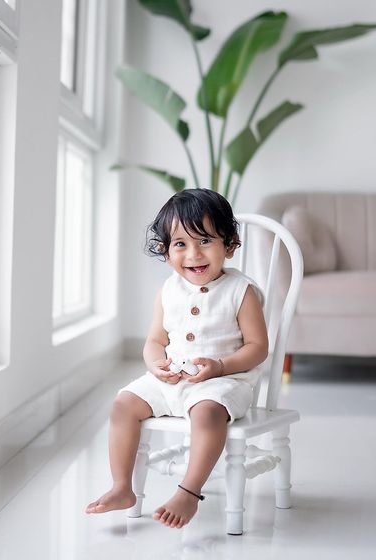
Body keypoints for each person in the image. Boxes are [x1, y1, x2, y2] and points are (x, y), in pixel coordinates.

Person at [86, 188, 268, 528]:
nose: (194, 254)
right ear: (166, 252)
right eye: (180, 244)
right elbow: (155, 340)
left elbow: (258, 347)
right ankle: (122, 486)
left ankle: (189, 490)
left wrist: (221, 366)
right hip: (172, 378)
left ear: (229, 244)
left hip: (224, 381)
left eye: (205, 241)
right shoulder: (169, 290)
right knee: (123, 403)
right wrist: (155, 364)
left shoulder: (240, 291)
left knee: (208, 414)